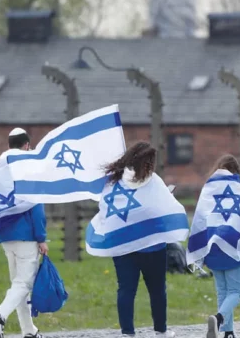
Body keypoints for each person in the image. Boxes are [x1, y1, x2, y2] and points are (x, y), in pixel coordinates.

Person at [85, 141, 186, 338]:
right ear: (147, 163)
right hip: (152, 247)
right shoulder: (153, 181)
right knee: (157, 290)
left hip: (121, 246)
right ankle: (161, 331)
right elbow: (165, 206)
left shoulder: (113, 180)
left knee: (126, 290)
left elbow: (107, 208)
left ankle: (127, 333)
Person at [0, 128, 48, 338]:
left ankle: (29, 331)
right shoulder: (28, 170)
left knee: (18, 286)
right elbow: (36, 206)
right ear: (27, 145)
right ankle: (0, 316)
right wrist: (41, 238)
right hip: (26, 236)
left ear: (9, 145)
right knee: (23, 284)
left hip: (5, 237)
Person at [185, 154, 240, 338]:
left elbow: (200, 219)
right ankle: (218, 319)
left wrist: (199, 247)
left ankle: (228, 332)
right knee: (236, 292)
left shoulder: (208, 188)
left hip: (212, 245)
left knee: (223, 292)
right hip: (234, 246)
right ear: (236, 171)